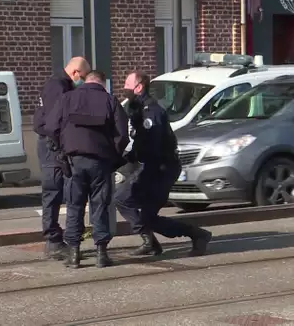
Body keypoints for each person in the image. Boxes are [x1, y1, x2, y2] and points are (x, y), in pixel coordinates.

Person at [115, 71, 212, 257]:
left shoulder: (151, 112)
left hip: (160, 168)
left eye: (128, 84)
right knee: (137, 209)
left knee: (128, 203)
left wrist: (132, 158)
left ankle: (196, 235)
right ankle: (153, 240)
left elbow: (152, 144)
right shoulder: (138, 109)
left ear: (139, 87)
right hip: (153, 166)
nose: (125, 88)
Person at [44, 70, 129, 269]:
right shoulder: (111, 101)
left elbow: (50, 127)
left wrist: (61, 150)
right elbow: (123, 135)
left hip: (74, 162)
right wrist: (113, 156)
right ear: (102, 83)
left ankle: (74, 254)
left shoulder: (67, 98)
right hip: (100, 162)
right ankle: (101, 253)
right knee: (99, 206)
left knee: (75, 207)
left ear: (86, 81)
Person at [33, 57, 91, 260]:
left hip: (55, 144)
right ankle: (53, 240)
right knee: (53, 191)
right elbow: (56, 120)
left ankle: (62, 237)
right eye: (83, 77)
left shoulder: (61, 84)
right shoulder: (58, 87)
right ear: (75, 72)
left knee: (62, 190)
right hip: (52, 145)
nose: (82, 81)